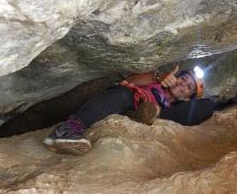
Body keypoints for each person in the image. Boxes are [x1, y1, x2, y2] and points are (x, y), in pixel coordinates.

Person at [43, 65, 214, 155]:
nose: (183, 84)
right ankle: (66, 131)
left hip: (154, 117)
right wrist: (159, 77)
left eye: (188, 87)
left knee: (208, 105)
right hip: (128, 104)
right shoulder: (156, 82)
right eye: (183, 79)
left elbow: (200, 108)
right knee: (123, 93)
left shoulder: (175, 109)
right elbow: (132, 80)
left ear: (187, 97)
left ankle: (151, 114)